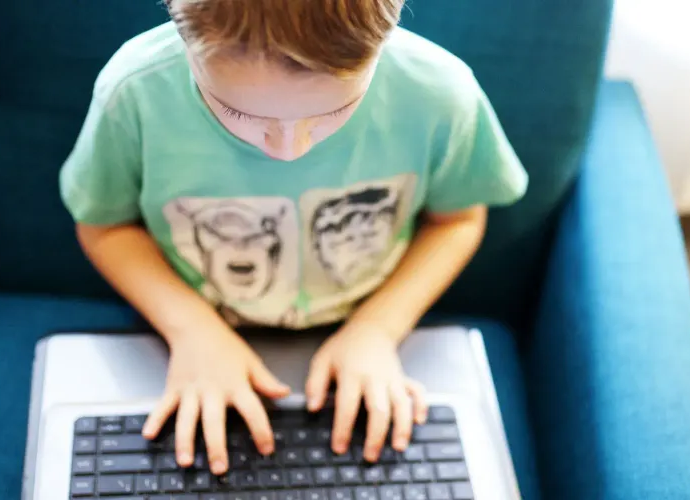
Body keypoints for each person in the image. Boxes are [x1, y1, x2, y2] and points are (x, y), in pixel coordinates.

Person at [59, 0, 527, 476]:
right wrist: (191, 330)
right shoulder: (133, 92)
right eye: (238, 113)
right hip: (189, 328)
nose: (290, 150)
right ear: (186, 40)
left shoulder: (440, 94)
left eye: (334, 110)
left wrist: (378, 329)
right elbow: (106, 226)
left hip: (370, 328)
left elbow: (457, 220)